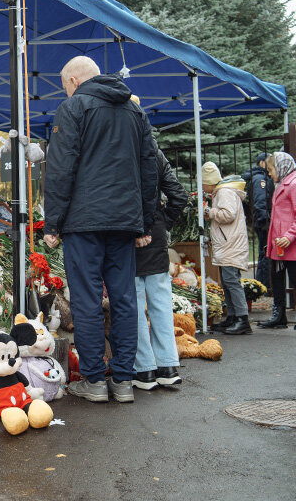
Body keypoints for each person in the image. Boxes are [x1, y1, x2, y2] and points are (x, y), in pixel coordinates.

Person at [43, 56, 158, 403]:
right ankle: (123, 381)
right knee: (124, 299)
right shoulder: (135, 112)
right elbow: (149, 167)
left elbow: (61, 167)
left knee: (87, 300)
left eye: (65, 84)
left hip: (83, 223)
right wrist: (145, 222)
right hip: (124, 222)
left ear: (74, 81)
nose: (65, 90)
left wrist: (53, 222)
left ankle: (94, 380)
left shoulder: (74, 107)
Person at [132, 141, 188, 390]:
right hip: (155, 233)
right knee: (161, 304)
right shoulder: (155, 152)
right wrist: (162, 223)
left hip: (128, 233)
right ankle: (167, 366)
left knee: (133, 306)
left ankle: (144, 370)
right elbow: (178, 195)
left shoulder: (120, 147)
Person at [201, 161, 251, 335]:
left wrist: (209, 212)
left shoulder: (224, 192)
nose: (202, 186)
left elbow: (227, 215)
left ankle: (242, 319)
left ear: (209, 182)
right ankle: (233, 316)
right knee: (228, 281)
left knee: (231, 281)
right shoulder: (222, 192)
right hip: (228, 243)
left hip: (230, 244)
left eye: (203, 183)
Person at [260, 151, 296, 329]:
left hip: (289, 244)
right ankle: (279, 315)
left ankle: (280, 315)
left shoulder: (293, 184)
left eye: (271, 169)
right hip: (278, 244)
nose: (269, 173)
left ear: (281, 167)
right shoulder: (282, 183)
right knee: (277, 280)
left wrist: (289, 236)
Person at [243, 152, 274, 289]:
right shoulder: (260, 179)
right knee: (265, 254)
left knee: (264, 253)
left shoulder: (259, 177)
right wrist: (265, 222)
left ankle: (263, 285)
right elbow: (260, 202)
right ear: (262, 163)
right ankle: (263, 286)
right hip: (263, 223)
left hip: (262, 221)